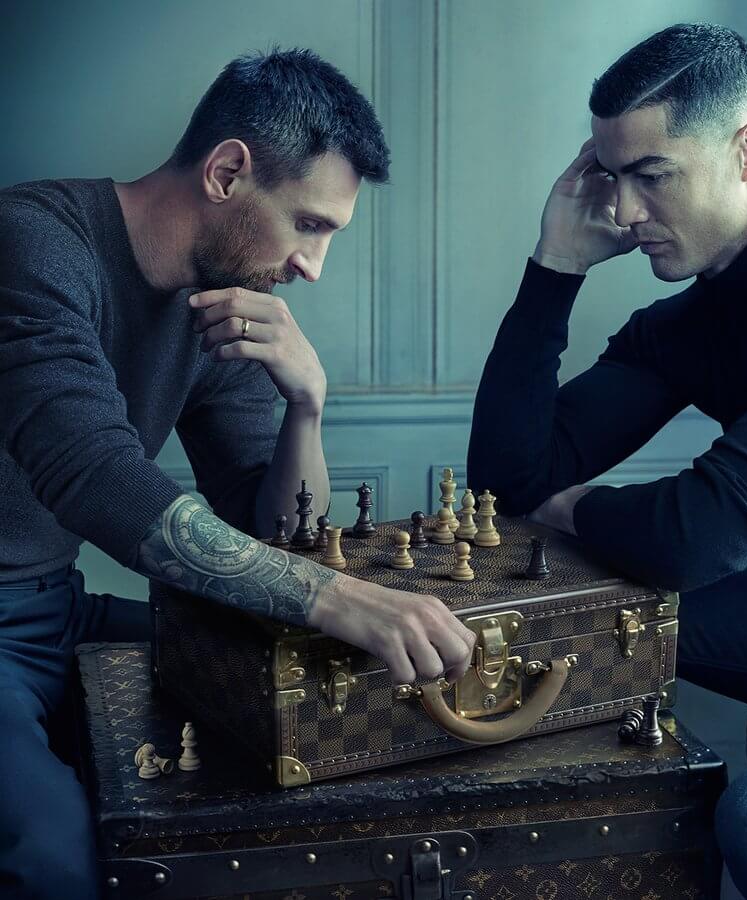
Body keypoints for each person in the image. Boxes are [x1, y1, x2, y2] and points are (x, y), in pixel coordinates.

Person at [0, 48, 474, 899]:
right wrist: (335, 598)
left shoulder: (217, 303)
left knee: (313, 689)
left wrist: (307, 407)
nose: (312, 267)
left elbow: (276, 532)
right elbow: (93, 476)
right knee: (54, 862)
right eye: (310, 225)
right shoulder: (30, 246)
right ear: (226, 172)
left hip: (55, 610)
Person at [468, 23, 747, 900]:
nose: (623, 213)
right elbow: (509, 481)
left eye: (652, 176)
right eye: (609, 178)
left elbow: (705, 534)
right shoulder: (689, 326)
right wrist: (554, 266)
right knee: (584, 616)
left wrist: (575, 507)